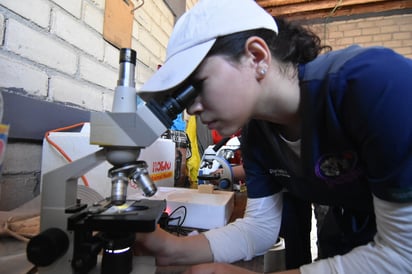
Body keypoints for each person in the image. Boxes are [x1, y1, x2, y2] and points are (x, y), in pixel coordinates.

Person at [136, 0, 412, 273]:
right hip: (352, 234)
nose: (192, 107)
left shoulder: (375, 85)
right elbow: (261, 227)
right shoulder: (258, 133)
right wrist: (172, 249)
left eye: (197, 85)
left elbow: (403, 256)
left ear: (256, 57)